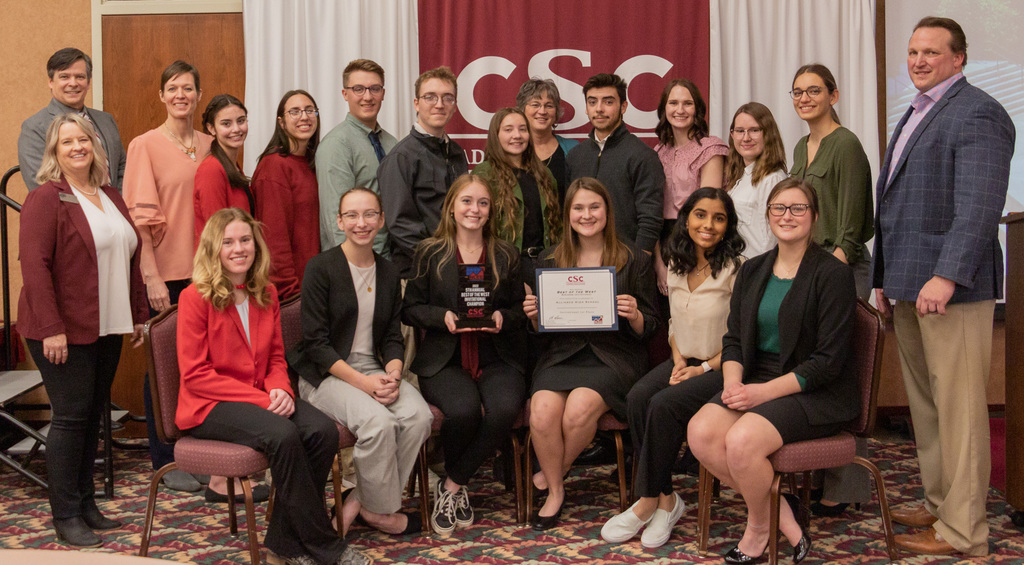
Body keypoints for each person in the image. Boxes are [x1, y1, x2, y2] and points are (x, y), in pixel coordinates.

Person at [873, 17, 1015, 557]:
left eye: (931, 52)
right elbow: (898, 205)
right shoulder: (916, 111)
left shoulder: (979, 110)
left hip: (949, 288)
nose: (918, 60)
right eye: (912, 52)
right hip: (910, 284)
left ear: (960, 58)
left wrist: (947, 274)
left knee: (958, 412)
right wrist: (886, 277)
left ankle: (964, 533)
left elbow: (979, 206)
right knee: (927, 408)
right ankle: (940, 506)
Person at [176, 208, 370, 565]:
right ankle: (324, 545)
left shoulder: (265, 292)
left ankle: (283, 543)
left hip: (262, 397)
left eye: (245, 240)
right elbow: (195, 375)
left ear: (256, 245)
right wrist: (262, 398)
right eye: (229, 242)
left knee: (322, 430)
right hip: (209, 405)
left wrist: (279, 387)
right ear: (213, 249)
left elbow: (276, 358)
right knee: (282, 435)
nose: (239, 248)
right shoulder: (195, 297)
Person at [687, 178, 857, 564]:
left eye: (798, 208)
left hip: (814, 389)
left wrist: (760, 394)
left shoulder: (832, 274)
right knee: (701, 433)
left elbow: (827, 363)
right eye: (779, 208)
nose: (787, 216)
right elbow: (733, 340)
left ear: (814, 217)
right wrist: (733, 384)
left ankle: (759, 528)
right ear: (768, 216)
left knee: (742, 442)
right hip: (754, 379)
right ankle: (784, 513)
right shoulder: (753, 270)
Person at [18, 114, 147, 547]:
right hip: (60, 329)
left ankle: (87, 502)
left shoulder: (110, 194)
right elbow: (33, 268)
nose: (77, 147)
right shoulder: (46, 198)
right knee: (71, 418)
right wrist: (52, 328)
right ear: (54, 151)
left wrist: (139, 313)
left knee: (94, 416)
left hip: (105, 324)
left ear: (95, 145)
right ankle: (66, 514)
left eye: (83, 139)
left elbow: (128, 255)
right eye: (66, 141)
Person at [601, 188, 744, 548]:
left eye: (718, 217)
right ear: (686, 219)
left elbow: (742, 336)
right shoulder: (676, 262)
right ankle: (667, 499)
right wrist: (679, 360)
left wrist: (700, 369)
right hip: (682, 360)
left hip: (719, 367)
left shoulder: (737, 270)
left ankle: (647, 501)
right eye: (700, 215)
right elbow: (674, 324)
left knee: (663, 405)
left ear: (728, 226)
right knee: (636, 398)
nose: (707, 224)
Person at [288, 188, 432, 537]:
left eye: (370, 214)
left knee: (418, 417)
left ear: (381, 220)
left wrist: (394, 373)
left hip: (375, 369)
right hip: (327, 375)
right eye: (351, 215)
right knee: (379, 424)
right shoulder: (321, 267)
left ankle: (360, 503)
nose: (361, 223)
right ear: (339, 222)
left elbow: (392, 338)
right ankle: (377, 513)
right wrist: (365, 384)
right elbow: (317, 345)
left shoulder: (387, 271)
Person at [525, 177, 659, 530]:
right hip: (563, 354)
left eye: (594, 207)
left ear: (607, 211)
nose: (587, 215)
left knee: (579, 408)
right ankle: (556, 488)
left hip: (614, 356)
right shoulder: (551, 258)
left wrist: (637, 315)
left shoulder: (633, 259)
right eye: (579, 208)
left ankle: (553, 480)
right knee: (540, 410)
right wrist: (537, 317)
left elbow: (654, 326)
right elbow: (541, 333)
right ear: (568, 214)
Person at [403, 174, 527, 535]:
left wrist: (506, 317)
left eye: (483, 203)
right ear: (452, 207)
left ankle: (452, 485)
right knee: (464, 410)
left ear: (491, 210)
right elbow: (410, 308)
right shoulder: (430, 251)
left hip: (497, 356)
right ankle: (459, 487)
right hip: (445, 358)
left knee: (504, 410)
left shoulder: (506, 253)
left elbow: (523, 311)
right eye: (467, 201)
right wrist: (440, 317)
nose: (475, 209)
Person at [788, 63, 874, 514]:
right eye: (798, 92)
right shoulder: (803, 145)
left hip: (842, 272)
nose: (805, 98)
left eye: (814, 91)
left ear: (833, 95)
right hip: (813, 269)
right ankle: (817, 476)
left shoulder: (846, 144)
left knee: (845, 373)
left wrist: (830, 273)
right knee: (814, 369)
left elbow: (856, 224)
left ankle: (846, 490)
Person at [123, 60, 212, 493]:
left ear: (198, 95)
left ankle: (198, 454)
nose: (181, 95)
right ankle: (166, 458)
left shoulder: (211, 144)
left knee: (204, 366)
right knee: (164, 366)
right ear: (161, 95)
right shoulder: (145, 145)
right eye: (173, 88)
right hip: (170, 274)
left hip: (210, 275)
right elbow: (139, 220)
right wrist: (151, 276)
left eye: (189, 88)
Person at [378, 66, 469, 278]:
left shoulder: (456, 153)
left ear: (454, 106)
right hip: (419, 273)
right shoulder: (401, 157)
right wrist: (438, 262)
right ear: (416, 104)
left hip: (457, 266)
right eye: (430, 97)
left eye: (448, 98)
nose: (439, 104)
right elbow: (400, 224)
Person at [566, 73, 664, 256]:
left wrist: (638, 264)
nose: (599, 109)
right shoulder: (575, 156)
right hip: (581, 261)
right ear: (586, 108)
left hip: (627, 261)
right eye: (592, 102)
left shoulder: (643, 156)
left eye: (608, 102)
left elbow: (650, 218)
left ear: (623, 106)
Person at [652, 79, 727, 295]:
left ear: (698, 109)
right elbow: (652, 211)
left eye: (687, 103)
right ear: (664, 109)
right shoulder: (658, 152)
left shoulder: (710, 148)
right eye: (673, 103)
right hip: (664, 241)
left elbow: (708, 208)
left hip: (699, 239)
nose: (680, 110)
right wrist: (658, 264)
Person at [473, 107, 561, 288]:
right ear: (495, 135)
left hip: (546, 264)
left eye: (523, 129)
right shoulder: (484, 174)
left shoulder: (544, 174)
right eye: (508, 129)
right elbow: (477, 230)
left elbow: (556, 225)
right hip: (506, 266)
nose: (517, 135)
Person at [317, 59, 398, 253]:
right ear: (345, 94)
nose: (368, 97)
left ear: (383, 93)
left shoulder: (392, 143)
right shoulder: (336, 145)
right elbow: (335, 219)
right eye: (359, 89)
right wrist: (352, 267)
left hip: (390, 262)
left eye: (375, 89)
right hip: (355, 263)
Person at [19, 48, 126, 191]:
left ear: (88, 83)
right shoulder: (34, 127)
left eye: (80, 77)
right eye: (64, 77)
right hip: (69, 211)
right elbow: (40, 182)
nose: (73, 83)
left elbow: (122, 167)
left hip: (113, 208)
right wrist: (90, 205)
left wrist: (115, 203)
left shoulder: (106, 120)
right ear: (51, 82)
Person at [252, 89, 322, 300]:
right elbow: (274, 238)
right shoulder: (274, 166)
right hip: (292, 292)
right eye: (295, 111)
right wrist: (290, 294)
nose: (304, 116)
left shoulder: (312, 162)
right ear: (281, 123)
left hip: (315, 285)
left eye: (309, 110)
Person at [723, 102, 788, 258]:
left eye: (754, 130)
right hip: (739, 268)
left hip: (757, 268)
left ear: (768, 133)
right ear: (732, 135)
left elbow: (772, 240)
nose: (746, 138)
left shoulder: (772, 179)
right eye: (740, 131)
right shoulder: (740, 177)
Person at [194, 94, 252, 245]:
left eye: (241, 121)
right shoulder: (211, 170)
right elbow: (217, 232)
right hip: (218, 265)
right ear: (211, 128)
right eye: (226, 124)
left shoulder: (232, 166)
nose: (236, 129)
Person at [515, 78, 578, 203]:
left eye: (549, 106)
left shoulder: (573, 149)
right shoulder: (511, 150)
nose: (542, 111)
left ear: (556, 112)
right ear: (522, 109)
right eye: (535, 105)